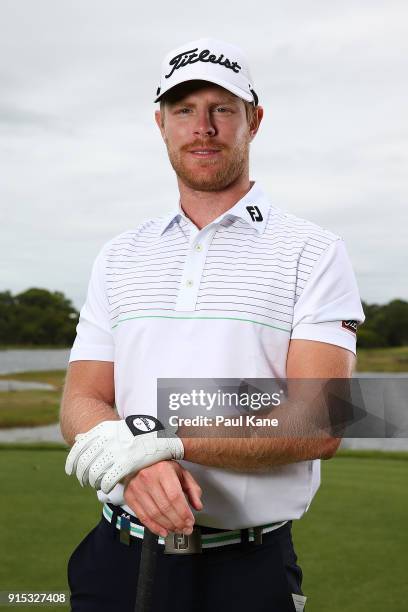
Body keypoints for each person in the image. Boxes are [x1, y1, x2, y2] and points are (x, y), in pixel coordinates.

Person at [60, 37, 365, 612]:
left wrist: (161, 444)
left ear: (254, 119)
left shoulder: (313, 251)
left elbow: (320, 421)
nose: (203, 127)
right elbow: (82, 398)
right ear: (161, 124)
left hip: (246, 570)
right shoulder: (120, 255)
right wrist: (119, 446)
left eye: (222, 109)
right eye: (183, 110)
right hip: (115, 557)